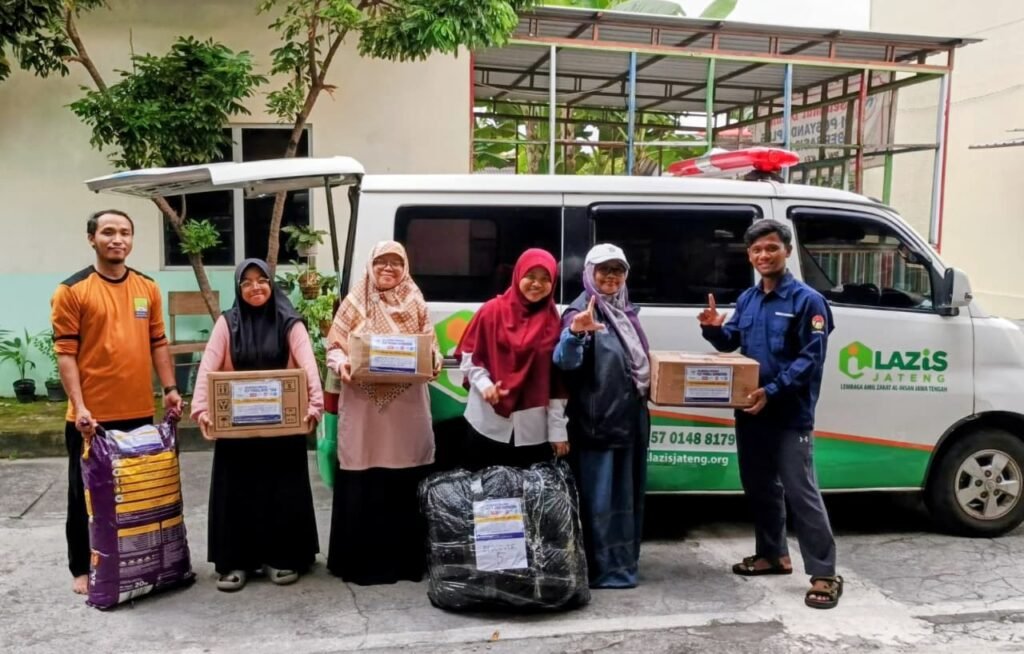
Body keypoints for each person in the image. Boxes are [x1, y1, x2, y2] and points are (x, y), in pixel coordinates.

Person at [698, 219, 843, 610]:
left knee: (801, 492)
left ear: (787, 252)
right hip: (750, 411)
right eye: (757, 250)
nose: (764, 255)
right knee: (760, 487)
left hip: (789, 415)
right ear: (749, 256)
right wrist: (714, 330)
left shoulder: (808, 301)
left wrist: (772, 391)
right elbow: (733, 343)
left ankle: (825, 574)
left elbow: (809, 360)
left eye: (772, 248)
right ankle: (773, 555)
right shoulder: (748, 300)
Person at [51, 209, 183, 595]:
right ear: (91, 238)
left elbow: (158, 342)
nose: (117, 239)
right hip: (91, 419)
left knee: (136, 495)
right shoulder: (72, 291)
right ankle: (81, 567)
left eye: (125, 232)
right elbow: (65, 354)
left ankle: (135, 566)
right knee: (85, 497)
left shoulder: (147, 287)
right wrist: (80, 406)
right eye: (108, 232)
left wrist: (170, 388)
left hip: (140, 413)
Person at [191, 258, 323, 592]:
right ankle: (236, 562)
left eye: (261, 280)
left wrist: (315, 404)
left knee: (281, 492)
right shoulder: (227, 323)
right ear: (238, 287)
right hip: (238, 431)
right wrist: (203, 408)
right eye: (246, 282)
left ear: (271, 283)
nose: (255, 287)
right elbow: (208, 366)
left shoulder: (290, 322)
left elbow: (307, 364)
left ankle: (282, 557)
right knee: (237, 493)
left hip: (283, 430)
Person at [325, 241, 442, 585]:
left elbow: (430, 346)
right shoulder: (355, 301)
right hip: (364, 409)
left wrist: (433, 362)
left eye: (395, 263)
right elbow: (334, 345)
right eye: (381, 262)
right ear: (371, 266)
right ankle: (360, 564)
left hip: (405, 408)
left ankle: (405, 563)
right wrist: (342, 362)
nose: (388, 269)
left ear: (405, 267)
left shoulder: (416, 302)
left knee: (404, 475)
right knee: (365, 473)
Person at [553, 244, 650, 589]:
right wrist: (576, 333)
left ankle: (624, 564)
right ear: (589, 274)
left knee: (627, 495)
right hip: (599, 420)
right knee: (600, 498)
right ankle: (600, 569)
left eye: (617, 270)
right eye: (603, 270)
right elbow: (565, 361)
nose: (610, 277)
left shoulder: (625, 313)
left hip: (630, 415)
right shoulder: (582, 311)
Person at [455, 248, 569, 470]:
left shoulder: (554, 322)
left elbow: (556, 383)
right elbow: (469, 356)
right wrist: (485, 385)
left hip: (533, 431)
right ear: (518, 275)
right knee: (484, 497)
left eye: (546, 279)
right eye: (531, 276)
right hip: (486, 424)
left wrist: (558, 430)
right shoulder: (491, 311)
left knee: (527, 499)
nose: (537, 284)